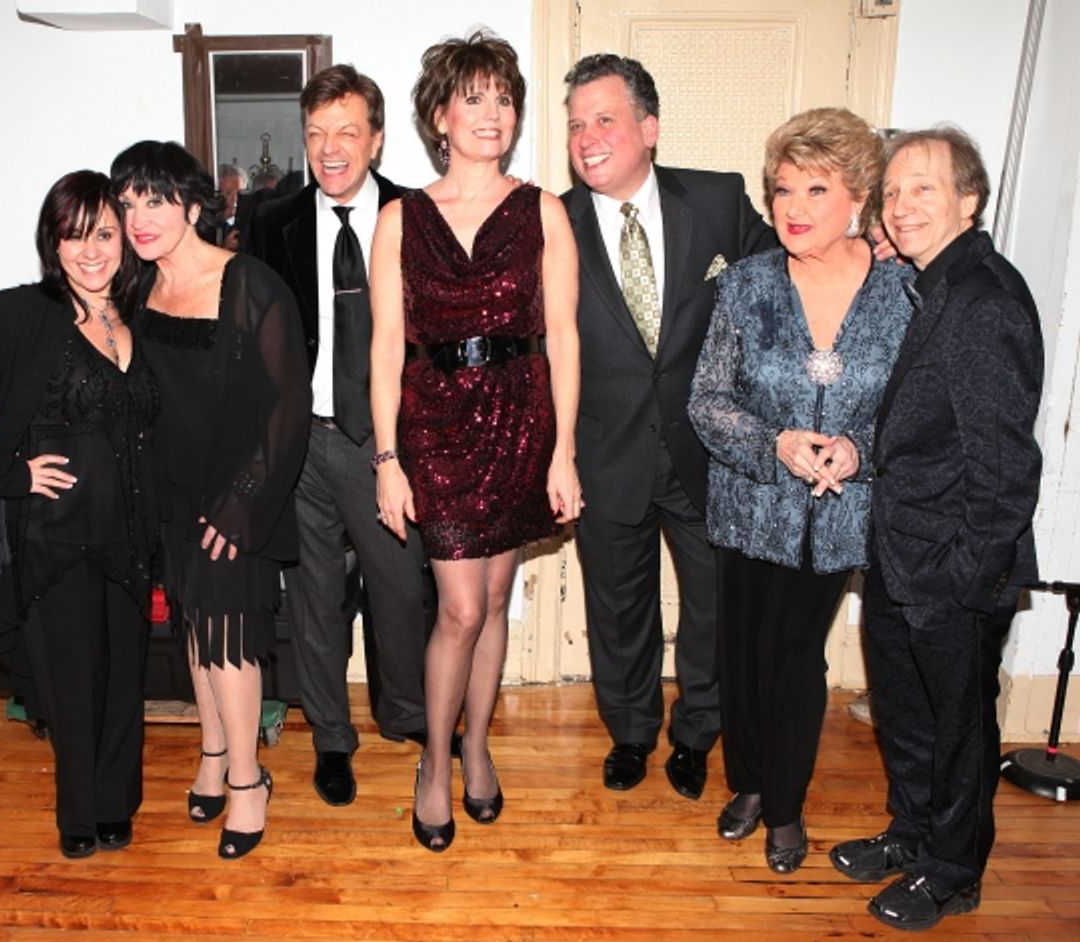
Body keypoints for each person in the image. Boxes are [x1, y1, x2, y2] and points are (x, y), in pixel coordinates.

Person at [371, 30, 582, 852]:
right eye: (474, 98)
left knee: (494, 600)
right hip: (435, 424)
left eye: (504, 99)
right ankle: (433, 762)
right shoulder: (402, 218)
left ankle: (478, 744)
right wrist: (387, 460)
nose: (491, 114)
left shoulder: (543, 211)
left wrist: (563, 452)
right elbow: (386, 348)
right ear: (439, 114)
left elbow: (562, 337)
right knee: (458, 606)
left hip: (520, 418)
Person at [688, 108, 912, 873]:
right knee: (744, 654)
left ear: (858, 196)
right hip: (749, 506)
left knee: (794, 657)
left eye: (817, 189)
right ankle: (747, 784)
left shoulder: (904, 294)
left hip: (838, 518)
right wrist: (773, 442)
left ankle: (784, 805)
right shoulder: (747, 284)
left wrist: (860, 450)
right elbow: (707, 401)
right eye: (783, 189)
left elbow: (917, 413)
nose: (794, 207)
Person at [830, 127, 1043, 931]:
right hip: (901, 556)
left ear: (969, 199)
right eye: (893, 191)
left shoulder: (983, 299)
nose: (902, 205)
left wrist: (962, 579)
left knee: (956, 731)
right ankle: (913, 838)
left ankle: (953, 872)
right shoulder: (936, 286)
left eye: (924, 187)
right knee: (908, 717)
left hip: (950, 571)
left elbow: (1004, 470)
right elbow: (934, 434)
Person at [0, 170, 155, 859]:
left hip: (130, 537)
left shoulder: (139, 316)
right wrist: (6, 475)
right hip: (55, 540)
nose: (91, 250)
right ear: (52, 243)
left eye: (103, 233)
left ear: (123, 240)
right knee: (71, 688)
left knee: (121, 686)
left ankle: (116, 806)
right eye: (73, 234)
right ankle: (79, 818)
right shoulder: (19, 315)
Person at [561, 54, 775, 798]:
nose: (588, 136)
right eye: (577, 123)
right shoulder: (552, 222)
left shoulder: (717, 202)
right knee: (618, 610)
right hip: (603, 452)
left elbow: (781, 282)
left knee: (714, 607)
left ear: (648, 128)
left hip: (706, 453)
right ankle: (630, 733)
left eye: (605, 119)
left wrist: (856, 249)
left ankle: (697, 732)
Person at [111, 140, 311, 860]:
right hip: (170, 492)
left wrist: (244, 501)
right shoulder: (137, 292)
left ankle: (249, 782)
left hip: (238, 493)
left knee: (228, 638)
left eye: (154, 199)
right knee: (195, 631)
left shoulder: (251, 283)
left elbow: (290, 401)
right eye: (128, 203)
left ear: (193, 205)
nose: (139, 217)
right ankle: (214, 753)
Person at [242, 64, 432, 808]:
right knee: (314, 597)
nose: (329, 148)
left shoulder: (419, 218)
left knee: (399, 590)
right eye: (316, 133)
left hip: (385, 445)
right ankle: (329, 739)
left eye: (346, 132)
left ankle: (410, 718)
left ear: (376, 139)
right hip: (302, 443)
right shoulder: (269, 221)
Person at [216, 163, 248, 249]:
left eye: (239, 193)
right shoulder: (205, 225)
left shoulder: (248, 223)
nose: (235, 199)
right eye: (228, 193)